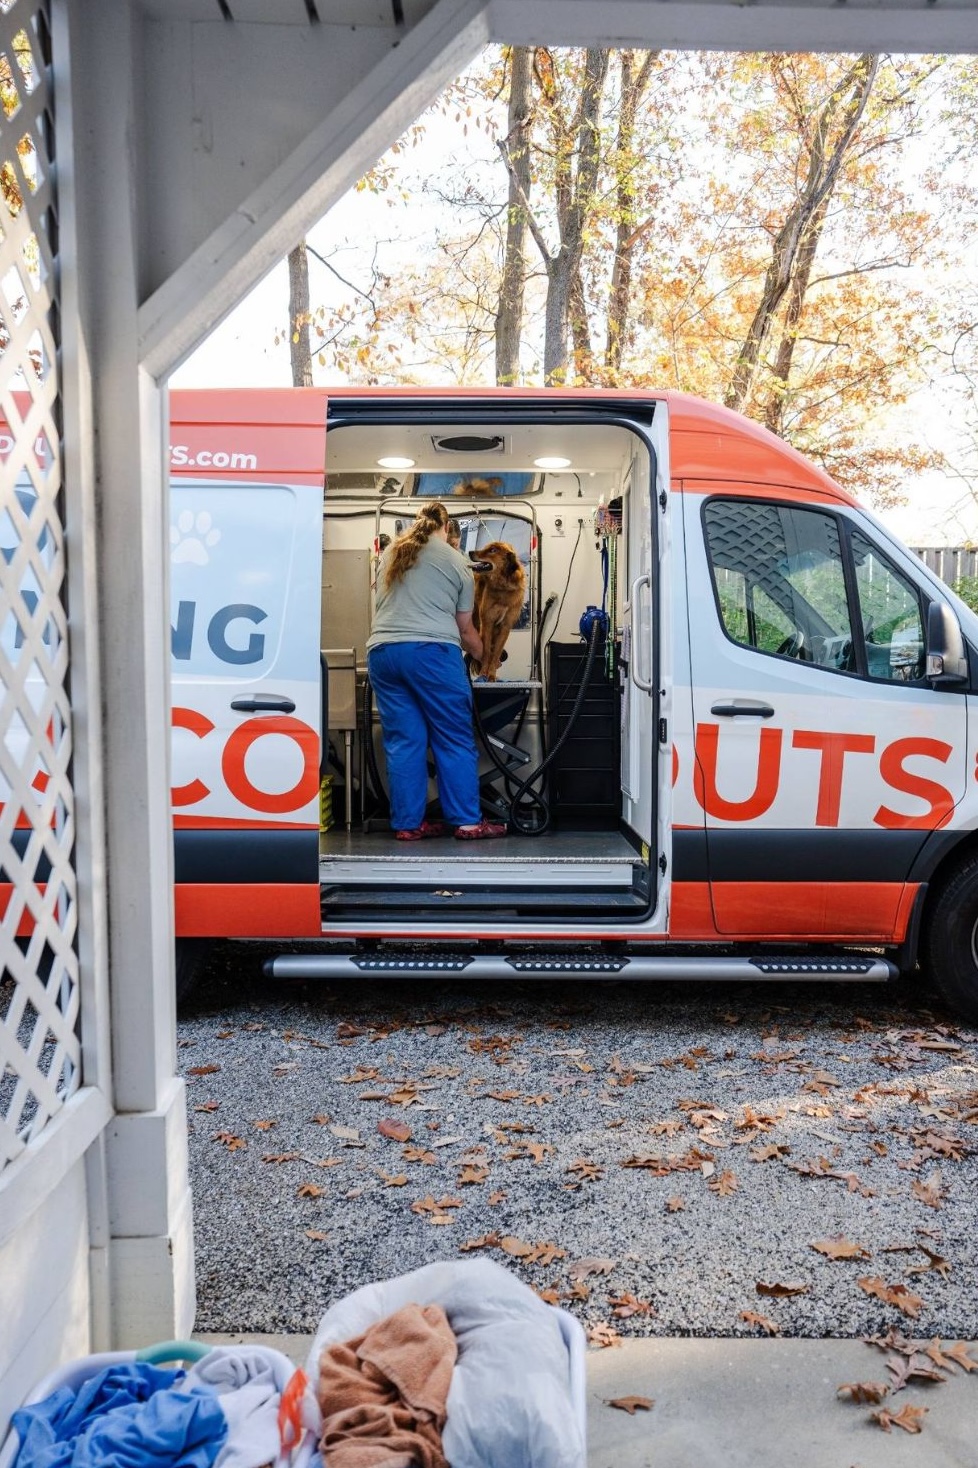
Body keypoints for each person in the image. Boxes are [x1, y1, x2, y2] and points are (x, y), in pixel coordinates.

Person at [367, 501, 507, 841]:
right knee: (453, 739)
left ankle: (408, 825)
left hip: (383, 654)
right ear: (448, 530)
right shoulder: (456, 561)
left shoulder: (391, 553)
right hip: (430, 653)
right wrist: (487, 656)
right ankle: (467, 822)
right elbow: (465, 630)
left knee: (404, 742)